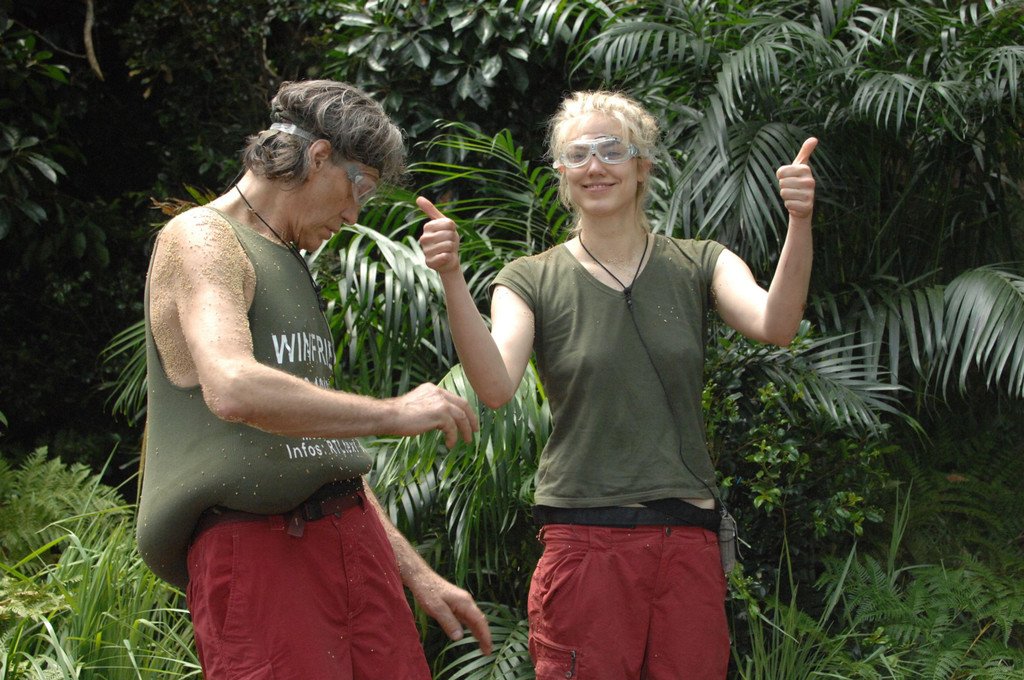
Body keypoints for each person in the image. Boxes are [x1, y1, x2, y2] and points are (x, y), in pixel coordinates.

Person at [417, 90, 816, 679]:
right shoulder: (529, 278)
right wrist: (451, 276)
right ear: (561, 173)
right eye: (578, 154)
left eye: (611, 150)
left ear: (642, 165)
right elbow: (496, 385)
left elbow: (776, 324)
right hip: (585, 540)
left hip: (688, 538)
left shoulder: (700, 261)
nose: (595, 166)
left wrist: (799, 221)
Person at [137, 79, 492, 680]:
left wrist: (417, 575)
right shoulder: (204, 237)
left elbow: (321, 452)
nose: (354, 215)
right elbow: (233, 387)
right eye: (360, 188)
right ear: (320, 155)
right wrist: (393, 413)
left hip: (353, 541)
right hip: (258, 550)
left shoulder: (289, 256)